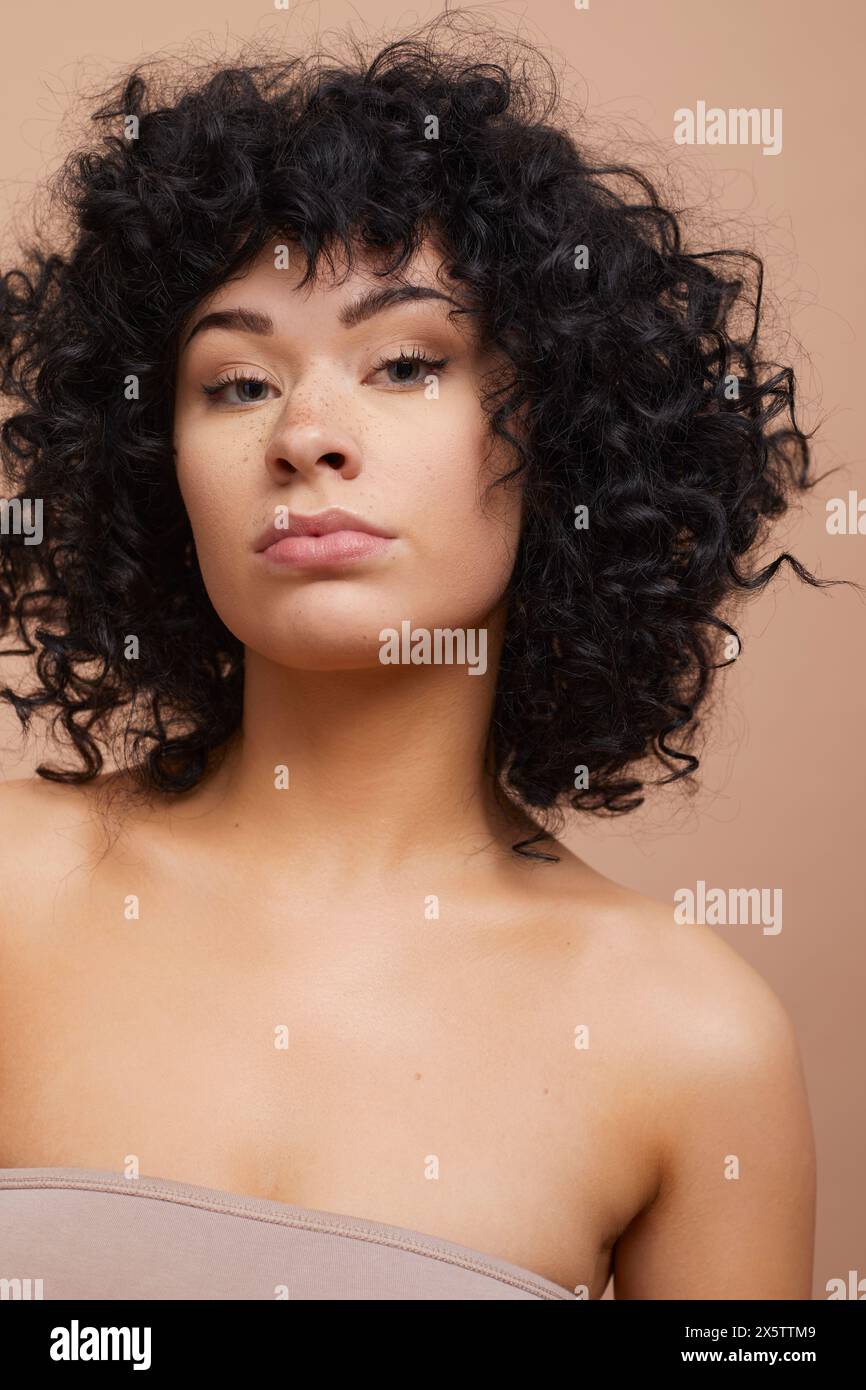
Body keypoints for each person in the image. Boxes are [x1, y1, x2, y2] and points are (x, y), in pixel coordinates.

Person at [0, 14, 826, 1299]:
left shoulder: (695, 1040)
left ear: (561, 436)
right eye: (234, 383)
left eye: (402, 361)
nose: (306, 435)